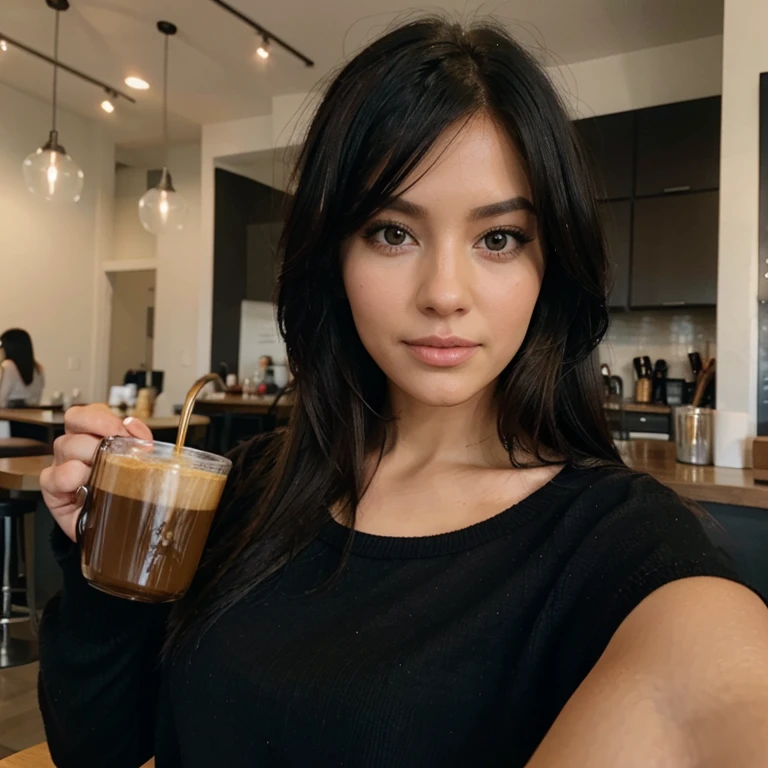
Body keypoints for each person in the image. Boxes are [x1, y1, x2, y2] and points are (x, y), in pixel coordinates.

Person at [38, 17, 768, 768]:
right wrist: (101, 561)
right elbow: (99, 748)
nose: (444, 294)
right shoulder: (248, 490)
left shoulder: (618, 543)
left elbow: (715, 693)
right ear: (334, 255)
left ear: (550, 267)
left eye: (498, 238)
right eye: (393, 232)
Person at [0, 328, 44, 407]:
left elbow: (1, 399)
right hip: (31, 416)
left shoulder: (8, 365)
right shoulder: (37, 368)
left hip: (9, 416)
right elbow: (36, 399)